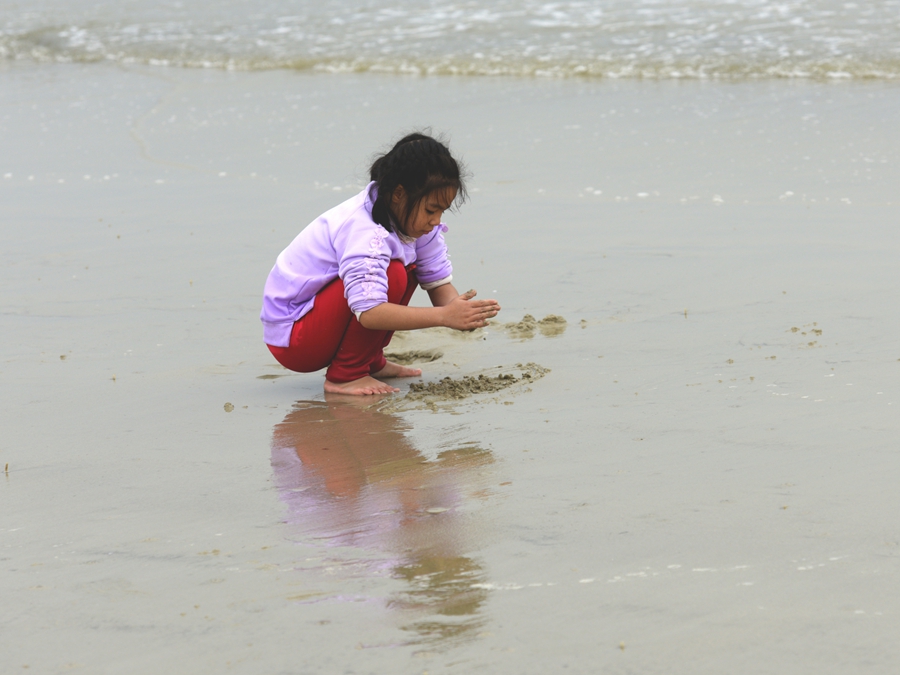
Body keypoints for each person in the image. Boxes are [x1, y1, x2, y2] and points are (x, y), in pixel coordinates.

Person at [260, 132, 501, 395]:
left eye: (442, 211)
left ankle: (367, 360)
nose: (436, 220)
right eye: (431, 210)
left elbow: (436, 280)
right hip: (294, 337)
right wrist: (443, 317)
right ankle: (346, 375)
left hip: (321, 321)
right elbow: (370, 311)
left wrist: (458, 310)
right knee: (394, 274)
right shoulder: (365, 231)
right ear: (398, 194)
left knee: (404, 272)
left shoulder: (415, 223)